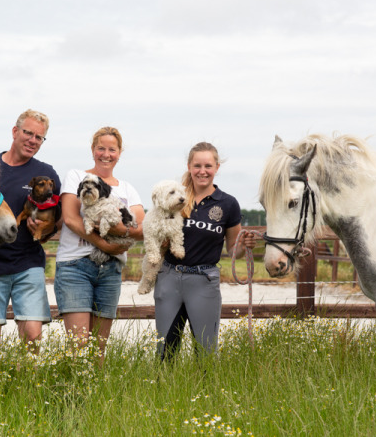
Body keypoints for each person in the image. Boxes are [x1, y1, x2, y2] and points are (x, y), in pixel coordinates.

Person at [0, 109, 61, 371]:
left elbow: (55, 221)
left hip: (27, 263)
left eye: (39, 137)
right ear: (15, 132)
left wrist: (44, 228)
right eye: (28, 133)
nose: (33, 140)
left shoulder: (47, 174)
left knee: (32, 335)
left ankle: (28, 389)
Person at [154, 142, 256, 360]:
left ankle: (206, 392)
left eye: (208, 166)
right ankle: (162, 392)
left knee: (207, 353)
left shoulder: (228, 204)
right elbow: (155, 229)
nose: (203, 171)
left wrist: (244, 244)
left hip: (204, 279)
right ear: (189, 166)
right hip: (169, 277)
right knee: (165, 351)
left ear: (217, 167)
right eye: (197, 165)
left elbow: (232, 249)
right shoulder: (174, 197)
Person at [54, 126, 145, 363]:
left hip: (111, 270)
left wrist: (116, 230)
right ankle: (73, 397)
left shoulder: (127, 189)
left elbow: (140, 229)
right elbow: (72, 219)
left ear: (119, 152)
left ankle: (95, 398)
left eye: (111, 149)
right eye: (100, 148)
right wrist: (105, 244)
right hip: (75, 266)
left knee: (98, 349)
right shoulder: (77, 176)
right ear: (93, 150)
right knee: (79, 345)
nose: (106, 154)